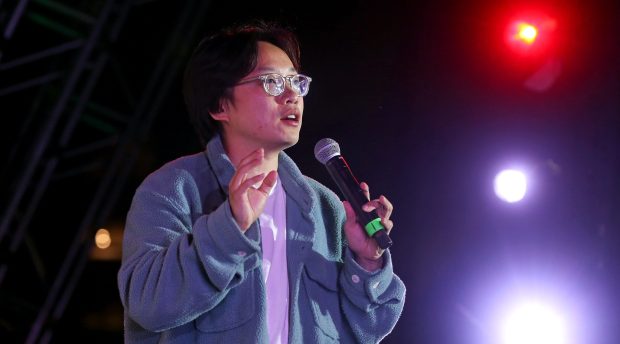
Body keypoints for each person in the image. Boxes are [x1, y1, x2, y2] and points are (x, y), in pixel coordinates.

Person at [117, 20, 406, 343]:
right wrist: (230, 226)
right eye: (271, 82)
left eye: (296, 82)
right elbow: (148, 305)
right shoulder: (174, 188)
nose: (292, 95)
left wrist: (367, 262)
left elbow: (367, 329)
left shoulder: (326, 207)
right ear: (219, 105)